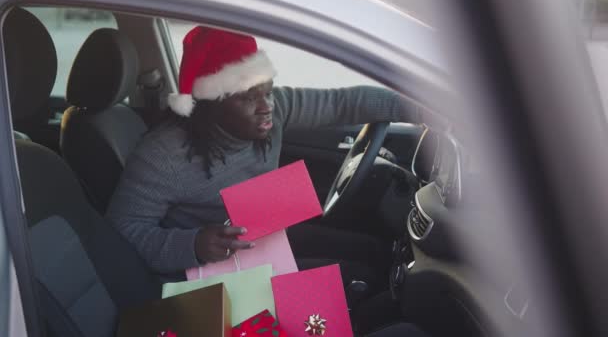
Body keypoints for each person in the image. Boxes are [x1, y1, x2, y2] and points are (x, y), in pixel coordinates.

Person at [105, 26, 423, 286]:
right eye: (248, 97)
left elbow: (340, 104)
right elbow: (122, 228)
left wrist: (423, 107)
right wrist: (193, 244)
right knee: (361, 276)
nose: (266, 105)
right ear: (209, 102)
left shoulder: (274, 109)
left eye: (267, 90)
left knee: (373, 250)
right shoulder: (162, 155)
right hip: (212, 268)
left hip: (261, 227)